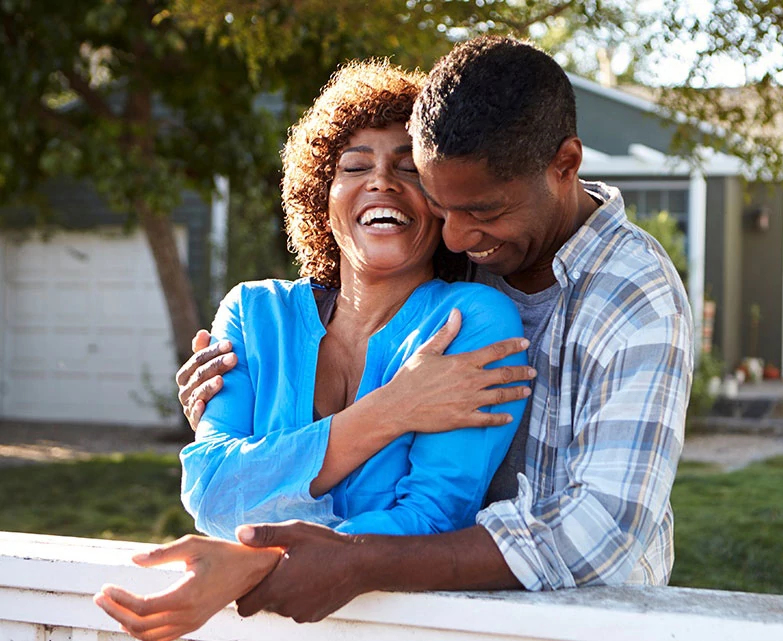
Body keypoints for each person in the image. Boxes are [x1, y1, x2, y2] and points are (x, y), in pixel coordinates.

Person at [101, 35, 693, 632]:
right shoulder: (266, 310)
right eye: (444, 205)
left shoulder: (619, 296)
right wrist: (394, 409)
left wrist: (275, 560)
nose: (459, 238)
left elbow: (602, 530)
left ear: (565, 165)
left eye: (480, 211)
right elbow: (210, 486)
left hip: (578, 621)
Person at [94, 58, 534, 641]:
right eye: (355, 166)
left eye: (410, 170)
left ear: (441, 203)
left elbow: (432, 518)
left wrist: (260, 557)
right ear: (320, 198)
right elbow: (212, 491)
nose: (381, 181)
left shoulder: (475, 322)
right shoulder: (254, 313)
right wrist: (394, 410)